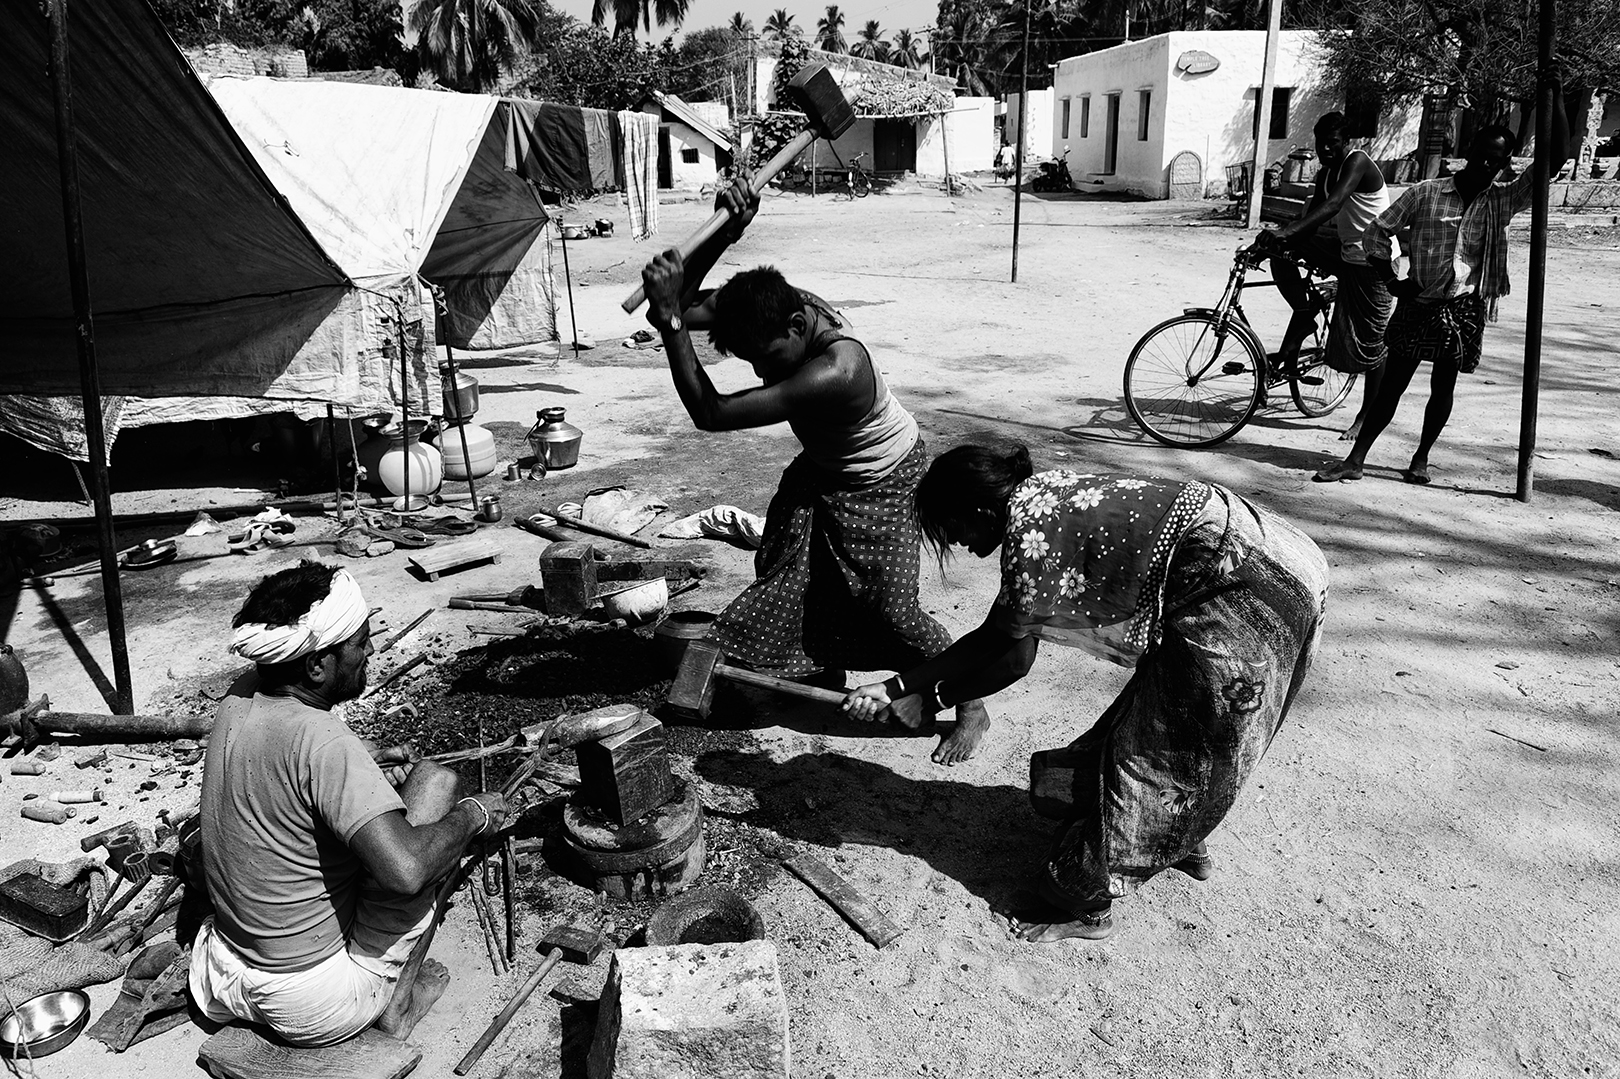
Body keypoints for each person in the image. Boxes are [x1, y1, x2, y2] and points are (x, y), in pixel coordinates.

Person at [842, 444, 1328, 942]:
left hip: (1245, 585)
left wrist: (905, 689)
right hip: (1277, 554)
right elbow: (1015, 652)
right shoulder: (1042, 499)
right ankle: (1184, 842)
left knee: (1167, 751)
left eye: (954, 528)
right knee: (1175, 721)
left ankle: (1085, 904)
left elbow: (1003, 650)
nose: (960, 543)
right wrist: (921, 693)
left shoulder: (1030, 531)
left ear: (983, 511)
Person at [639, 172, 990, 766]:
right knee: (787, 573)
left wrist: (671, 320)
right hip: (824, 472)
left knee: (889, 608)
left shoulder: (838, 370)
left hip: (884, 480)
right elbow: (693, 308)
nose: (758, 373)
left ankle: (971, 702)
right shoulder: (768, 307)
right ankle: (820, 669)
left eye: (764, 359)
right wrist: (726, 237)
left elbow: (709, 412)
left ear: (798, 327)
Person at [190, 562, 508, 1046]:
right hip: (313, 1001)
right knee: (437, 786)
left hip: (224, 974)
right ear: (317, 664)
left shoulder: (240, 696)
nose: (371, 650)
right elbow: (406, 871)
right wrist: (474, 814)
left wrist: (363, 764)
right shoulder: (323, 742)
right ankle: (395, 1008)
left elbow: (284, 765)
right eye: (360, 644)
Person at [1313, 85, 1570, 485]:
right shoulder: (1427, 193)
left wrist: (1554, 97)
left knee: (1443, 389)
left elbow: (1553, 163)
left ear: (1504, 166)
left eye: (1496, 159)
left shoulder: (1501, 200)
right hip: (1419, 302)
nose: (1486, 163)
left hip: (1463, 307)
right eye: (1481, 153)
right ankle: (1356, 459)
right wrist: (1392, 281)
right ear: (1468, 150)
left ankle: (1420, 460)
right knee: (1392, 387)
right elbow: (1377, 234)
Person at [1255, 111, 1394, 439]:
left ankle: (1366, 415)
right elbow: (1313, 218)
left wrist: (1287, 231)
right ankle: (1304, 314)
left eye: (1333, 143)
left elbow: (1333, 205)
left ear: (1346, 143)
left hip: (1374, 262)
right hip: (1346, 254)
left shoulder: (1357, 162)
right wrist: (1267, 243)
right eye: (1321, 143)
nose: (1326, 149)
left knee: (1373, 346)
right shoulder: (1325, 173)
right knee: (1282, 250)